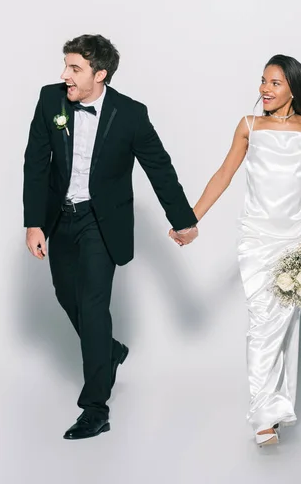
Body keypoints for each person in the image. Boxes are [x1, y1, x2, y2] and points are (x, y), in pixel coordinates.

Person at [23, 34, 198, 440]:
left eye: (74, 68)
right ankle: (110, 352)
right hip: (58, 218)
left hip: (101, 223)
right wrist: (34, 222)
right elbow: (35, 161)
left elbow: (159, 167)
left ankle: (95, 407)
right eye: (65, 65)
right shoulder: (51, 101)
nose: (64, 75)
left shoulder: (130, 114)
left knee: (93, 304)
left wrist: (183, 219)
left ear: (100, 75)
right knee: (66, 295)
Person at [171, 55, 301, 446]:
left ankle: (274, 411)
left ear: (293, 87)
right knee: (263, 322)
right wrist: (190, 218)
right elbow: (223, 175)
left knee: (284, 327)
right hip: (257, 239)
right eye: (263, 81)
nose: (264, 88)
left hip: (296, 239)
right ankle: (263, 415)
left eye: (275, 83)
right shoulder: (249, 126)